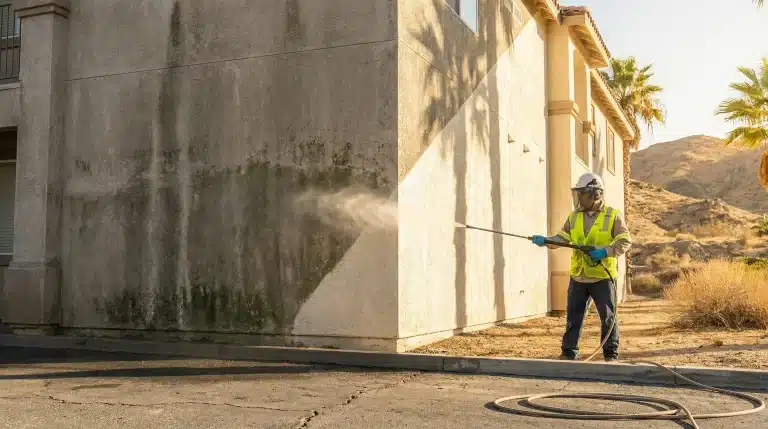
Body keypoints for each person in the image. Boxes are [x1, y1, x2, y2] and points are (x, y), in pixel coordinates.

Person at [531, 172, 632, 362]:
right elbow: (563, 238)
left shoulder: (613, 216)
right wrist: (546, 240)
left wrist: (605, 251)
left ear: (595, 194)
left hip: (603, 276)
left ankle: (610, 354)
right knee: (573, 317)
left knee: (608, 318)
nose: (578, 198)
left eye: (581, 194)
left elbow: (625, 241)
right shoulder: (574, 216)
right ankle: (569, 352)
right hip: (579, 276)